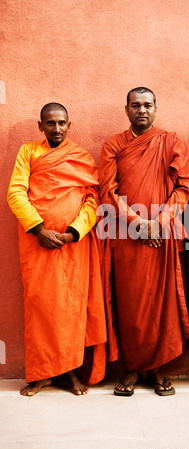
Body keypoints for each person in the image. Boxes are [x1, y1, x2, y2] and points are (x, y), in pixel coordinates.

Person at [7, 102, 117, 396]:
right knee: (41, 307)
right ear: (40, 127)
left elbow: (93, 200)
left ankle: (69, 373)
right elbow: (16, 192)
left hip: (72, 247)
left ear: (70, 125)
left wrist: (73, 232)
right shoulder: (29, 152)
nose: (56, 128)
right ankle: (43, 374)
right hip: (37, 243)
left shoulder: (80, 157)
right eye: (50, 123)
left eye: (61, 123)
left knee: (70, 307)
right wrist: (38, 229)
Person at [98, 87, 189, 396]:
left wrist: (161, 221)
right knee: (130, 303)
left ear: (156, 109)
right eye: (136, 105)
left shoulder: (171, 142)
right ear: (126, 109)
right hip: (126, 236)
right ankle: (131, 367)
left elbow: (183, 187)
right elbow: (107, 191)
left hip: (162, 235)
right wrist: (139, 222)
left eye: (148, 105)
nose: (142, 110)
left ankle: (155, 368)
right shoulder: (113, 144)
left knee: (160, 303)